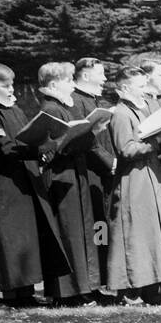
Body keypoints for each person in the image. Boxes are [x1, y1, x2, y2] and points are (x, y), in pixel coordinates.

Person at [0, 62, 69, 307]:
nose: (11, 90)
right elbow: (5, 147)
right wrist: (37, 149)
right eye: (4, 85)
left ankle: (25, 292)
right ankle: (9, 294)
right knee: (9, 236)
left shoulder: (15, 109)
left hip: (25, 179)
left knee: (26, 236)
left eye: (11, 84)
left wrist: (44, 145)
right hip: (5, 184)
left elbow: (26, 136)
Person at [106, 65, 161, 303]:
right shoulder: (120, 113)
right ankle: (130, 291)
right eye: (140, 87)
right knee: (134, 234)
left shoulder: (141, 107)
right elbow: (126, 149)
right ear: (124, 88)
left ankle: (151, 287)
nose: (144, 91)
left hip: (151, 174)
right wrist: (156, 141)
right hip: (134, 179)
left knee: (152, 233)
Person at [37, 61, 103, 304]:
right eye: (68, 80)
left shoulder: (67, 105)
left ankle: (83, 286)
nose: (73, 85)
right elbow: (47, 146)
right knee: (68, 231)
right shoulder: (51, 108)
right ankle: (67, 292)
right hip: (61, 177)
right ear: (54, 84)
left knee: (81, 231)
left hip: (76, 172)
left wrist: (92, 131)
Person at [74, 57, 116, 285]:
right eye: (101, 74)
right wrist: (110, 162)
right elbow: (88, 141)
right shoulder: (76, 101)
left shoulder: (93, 100)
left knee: (101, 224)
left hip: (102, 176)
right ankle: (94, 279)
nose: (105, 79)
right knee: (95, 225)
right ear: (86, 75)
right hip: (89, 174)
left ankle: (101, 276)